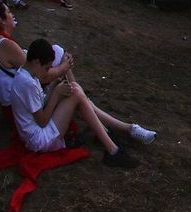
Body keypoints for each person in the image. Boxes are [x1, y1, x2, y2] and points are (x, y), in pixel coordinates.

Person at [9, 37, 155, 167]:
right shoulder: (27, 82)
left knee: (75, 90)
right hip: (38, 139)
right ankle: (112, 147)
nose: (47, 73)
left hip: (37, 130)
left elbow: (38, 106)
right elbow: (41, 121)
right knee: (77, 92)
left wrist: (54, 87)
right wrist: (56, 94)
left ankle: (113, 139)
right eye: (47, 68)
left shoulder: (27, 74)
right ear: (36, 62)